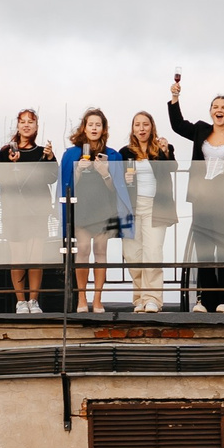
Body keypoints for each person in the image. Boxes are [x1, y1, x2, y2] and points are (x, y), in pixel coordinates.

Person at [168, 81, 224, 312]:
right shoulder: (201, 130)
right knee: (205, 250)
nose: (219, 110)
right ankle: (206, 301)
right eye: (215, 106)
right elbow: (178, 126)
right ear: (211, 111)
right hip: (203, 200)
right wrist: (175, 98)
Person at [60, 108, 133, 313]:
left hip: (104, 210)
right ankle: (82, 299)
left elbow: (116, 189)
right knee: (82, 250)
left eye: (98, 125)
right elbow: (67, 186)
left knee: (101, 252)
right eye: (90, 124)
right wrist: (79, 170)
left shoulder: (113, 155)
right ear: (84, 127)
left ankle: (98, 299)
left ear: (103, 129)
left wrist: (105, 173)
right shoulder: (71, 153)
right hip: (81, 209)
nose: (94, 128)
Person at [0, 109, 57, 313]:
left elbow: (52, 177)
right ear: (18, 125)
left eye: (31, 122)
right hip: (13, 210)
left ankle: (34, 300)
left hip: (37, 211)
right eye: (23, 122)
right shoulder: (6, 151)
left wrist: (50, 158)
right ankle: (20, 301)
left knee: (35, 256)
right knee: (18, 256)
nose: (27, 125)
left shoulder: (42, 152)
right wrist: (10, 164)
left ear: (37, 127)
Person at [122, 110, 179, 313]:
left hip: (156, 208)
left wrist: (165, 152)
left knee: (153, 252)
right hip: (132, 208)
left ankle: (153, 298)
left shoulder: (163, 148)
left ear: (151, 127)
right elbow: (117, 181)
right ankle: (139, 297)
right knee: (133, 255)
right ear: (133, 129)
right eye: (137, 124)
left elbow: (172, 167)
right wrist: (126, 180)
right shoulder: (125, 152)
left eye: (145, 124)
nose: (141, 128)